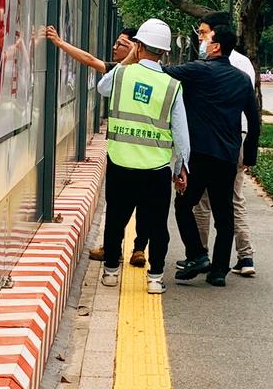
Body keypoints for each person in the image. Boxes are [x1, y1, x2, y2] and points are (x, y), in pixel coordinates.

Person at [162, 24, 260, 287]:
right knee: (224, 215)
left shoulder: (199, 69)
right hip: (227, 156)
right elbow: (254, 120)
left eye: (207, 38)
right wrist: (249, 156)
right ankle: (218, 271)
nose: (202, 41)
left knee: (183, 206)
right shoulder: (242, 80)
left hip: (200, 154)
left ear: (216, 47)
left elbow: (162, 71)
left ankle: (196, 255)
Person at [97, 18, 190, 294]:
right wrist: (181, 167)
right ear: (164, 52)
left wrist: (126, 61)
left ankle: (111, 272)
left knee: (115, 219)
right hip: (156, 168)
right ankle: (154, 278)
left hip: (120, 163)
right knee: (158, 224)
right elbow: (181, 132)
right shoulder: (172, 86)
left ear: (137, 46)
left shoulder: (122, 75)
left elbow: (102, 87)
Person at [47, 26, 150, 267]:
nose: (115, 48)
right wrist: (60, 44)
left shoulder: (142, 74)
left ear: (136, 47)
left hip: (137, 150)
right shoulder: (119, 71)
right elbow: (90, 60)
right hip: (129, 148)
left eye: (121, 44)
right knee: (124, 204)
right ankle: (118, 248)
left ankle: (136, 249)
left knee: (130, 203)